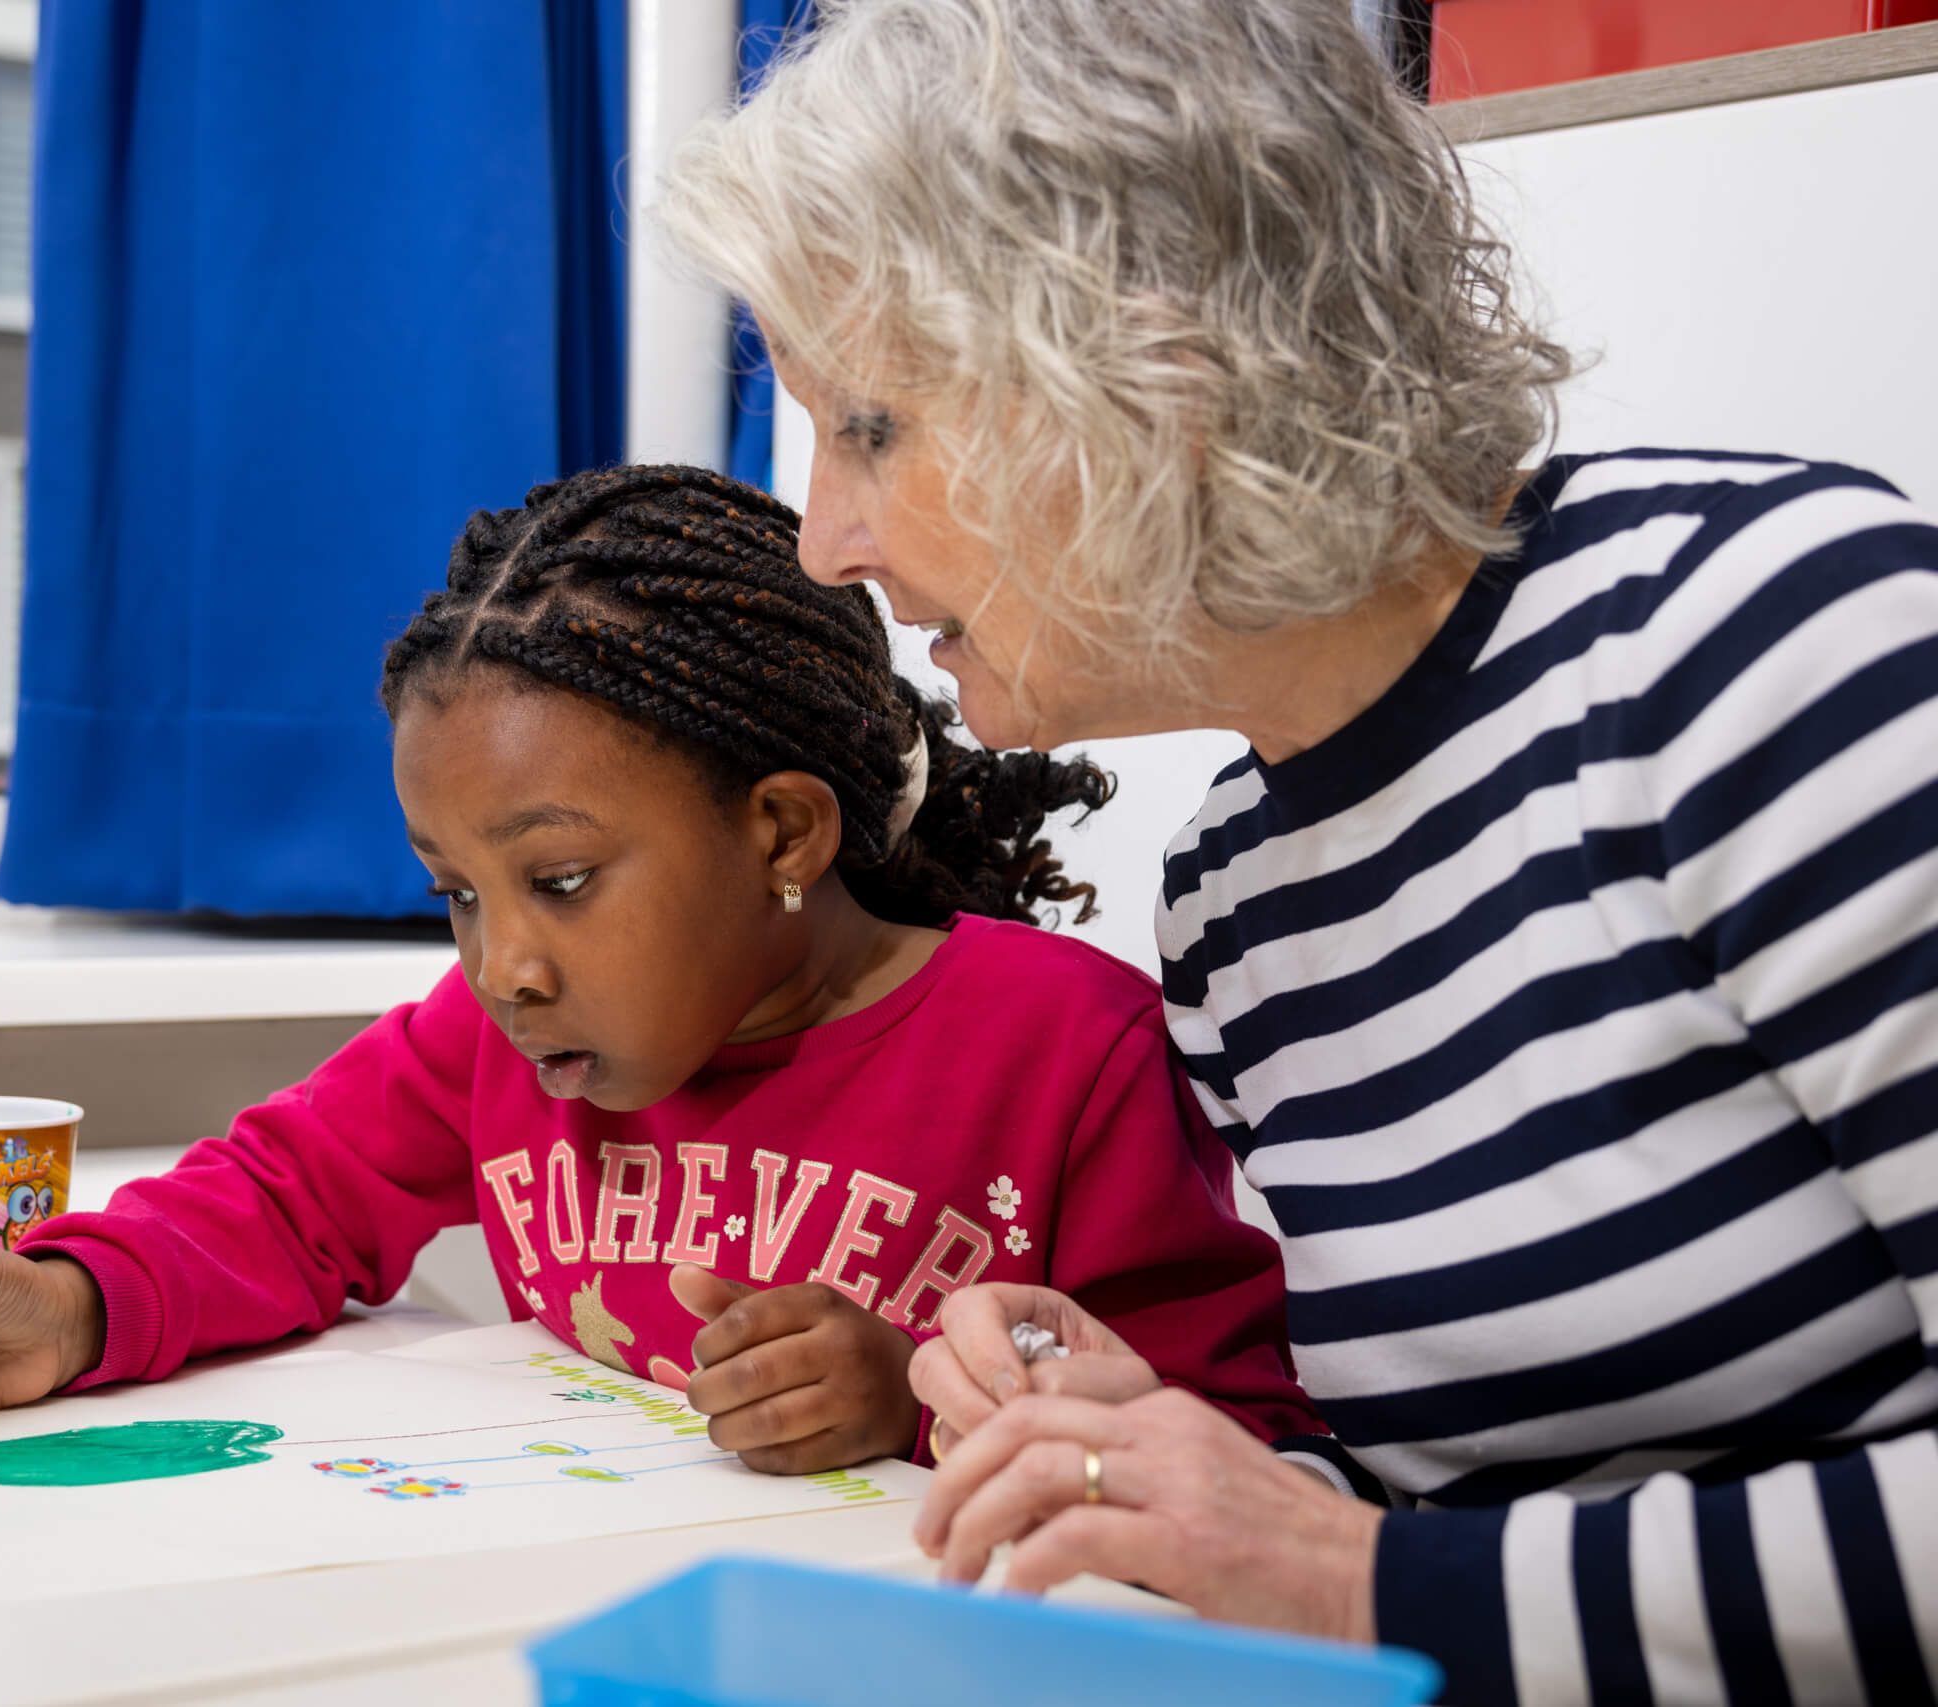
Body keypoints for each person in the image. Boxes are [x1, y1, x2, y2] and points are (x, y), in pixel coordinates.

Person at [658, 0, 1938, 1699]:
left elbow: (1400, 1581)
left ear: (1148, 368)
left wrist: (1326, 1565)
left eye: (872, 426)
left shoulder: (1777, 651)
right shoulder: (1233, 898)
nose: (827, 540)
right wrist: (1185, 1464)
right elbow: (1471, 1521)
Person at [0, 463, 1319, 1477]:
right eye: (458, 893)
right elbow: (281, 1201)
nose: (505, 963)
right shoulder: (488, 1038)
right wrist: (64, 1302)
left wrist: (919, 1400)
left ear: (783, 829)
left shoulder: (1065, 1044)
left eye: (564, 881)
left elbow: (1233, 1441)